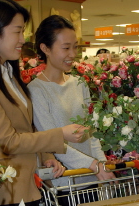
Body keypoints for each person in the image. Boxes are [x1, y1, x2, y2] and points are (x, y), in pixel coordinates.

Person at [0, 0, 86, 206]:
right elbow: (7, 141)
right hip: (9, 190)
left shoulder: (7, 72)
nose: (23, 40)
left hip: (31, 182)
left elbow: (26, 127)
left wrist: (46, 155)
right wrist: (60, 135)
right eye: (17, 32)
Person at [28, 15, 115, 194]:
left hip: (91, 176)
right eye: (66, 48)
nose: (72, 54)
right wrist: (93, 164)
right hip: (63, 182)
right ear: (45, 48)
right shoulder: (36, 90)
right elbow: (51, 142)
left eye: (75, 47)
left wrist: (101, 164)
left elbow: (92, 133)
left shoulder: (79, 83)